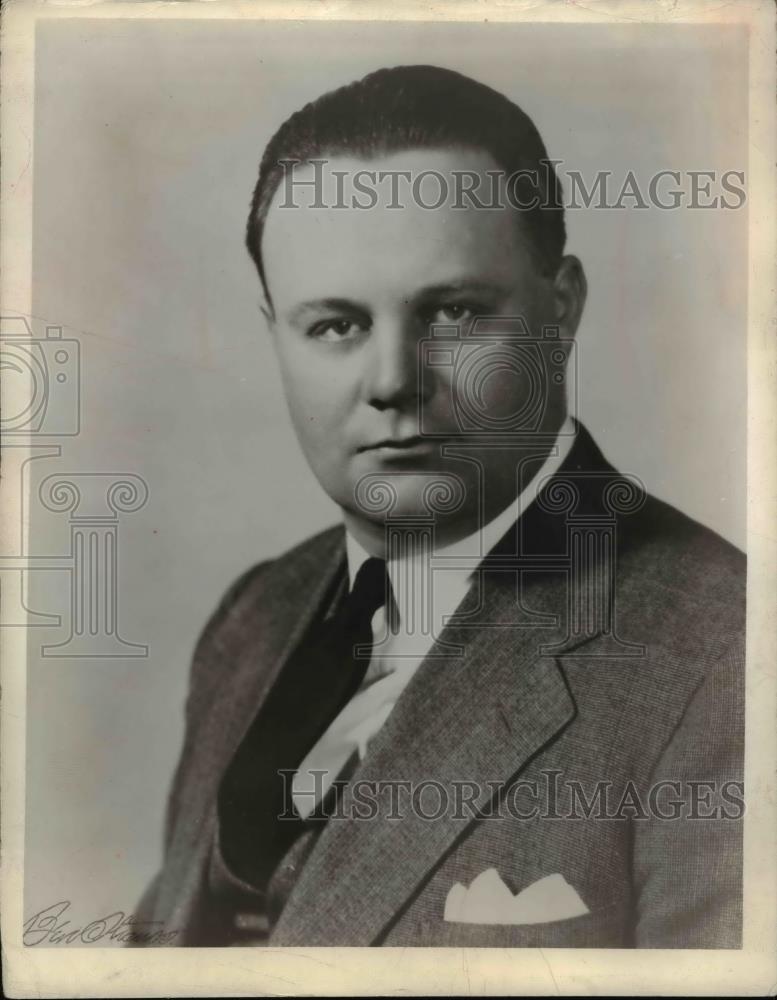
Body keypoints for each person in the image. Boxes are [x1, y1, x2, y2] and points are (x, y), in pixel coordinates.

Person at [131, 65, 744, 948]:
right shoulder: (252, 618)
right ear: (274, 331)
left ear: (560, 310)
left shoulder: (723, 655)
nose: (392, 383)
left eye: (453, 313)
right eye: (335, 326)